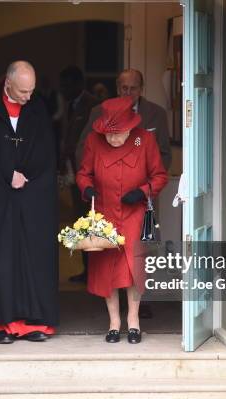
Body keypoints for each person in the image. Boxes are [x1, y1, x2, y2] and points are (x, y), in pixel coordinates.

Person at [0, 61, 59, 344]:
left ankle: (33, 322)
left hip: (31, 197)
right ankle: (1, 323)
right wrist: (5, 175)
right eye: (23, 91)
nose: (27, 97)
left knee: (32, 258)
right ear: (7, 84)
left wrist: (27, 175)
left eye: (32, 91)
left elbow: (47, 150)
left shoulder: (37, 107)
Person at [76, 96, 168, 344]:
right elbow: (83, 173)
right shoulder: (95, 141)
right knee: (108, 269)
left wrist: (143, 190)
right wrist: (87, 188)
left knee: (133, 268)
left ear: (130, 128)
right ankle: (114, 322)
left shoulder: (143, 139)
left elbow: (159, 176)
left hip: (134, 214)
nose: (113, 139)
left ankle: (134, 321)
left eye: (118, 134)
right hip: (105, 214)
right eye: (109, 134)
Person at [76, 69, 172, 170]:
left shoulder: (157, 114)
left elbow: (164, 154)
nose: (128, 93)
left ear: (141, 90)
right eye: (125, 88)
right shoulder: (99, 112)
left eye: (133, 88)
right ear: (118, 89)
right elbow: (83, 148)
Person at [58, 66, 100, 283]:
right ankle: (87, 270)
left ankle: (95, 272)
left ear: (76, 84)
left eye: (65, 84)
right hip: (74, 171)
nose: (61, 89)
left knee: (91, 221)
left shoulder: (92, 104)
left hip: (89, 175)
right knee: (81, 222)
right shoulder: (69, 105)